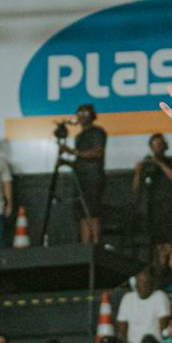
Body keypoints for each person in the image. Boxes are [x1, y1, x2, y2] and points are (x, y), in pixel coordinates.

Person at [59, 104, 107, 245]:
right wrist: (67, 161)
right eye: (79, 113)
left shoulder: (98, 132)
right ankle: (86, 245)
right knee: (82, 213)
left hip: (93, 177)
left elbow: (97, 153)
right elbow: (81, 160)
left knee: (93, 211)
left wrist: (73, 152)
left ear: (92, 115)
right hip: (80, 177)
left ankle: (96, 244)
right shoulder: (79, 136)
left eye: (85, 113)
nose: (82, 116)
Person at [135, 132, 172, 256]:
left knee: (171, 241)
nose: (157, 147)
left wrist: (159, 163)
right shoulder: (147, 164)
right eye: (154, 145)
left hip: (171, 207)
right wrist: (138, 172)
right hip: (154, 209)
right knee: (157, 243)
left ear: (165, 145)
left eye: (159, 144)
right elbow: (137, 188)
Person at [117, 270, 172, 343]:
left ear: (152, 283)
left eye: (146, 283)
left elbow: (164, 331)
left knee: (147, 341)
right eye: (140, 283)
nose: (143, 286)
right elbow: (122, 330)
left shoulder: (160, 296)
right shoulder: (127, 298)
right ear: (135, 283)